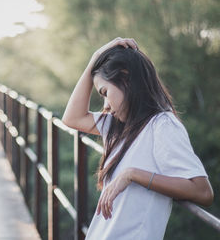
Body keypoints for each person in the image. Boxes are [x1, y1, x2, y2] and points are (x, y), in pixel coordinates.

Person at [62, 37, 214, 240]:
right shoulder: (117, 126)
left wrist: (133, 174)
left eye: (105, 92)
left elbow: (203, 192)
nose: (105, 104)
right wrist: (95, 58)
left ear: (125, 78)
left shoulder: (163, 126)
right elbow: (72, 118)